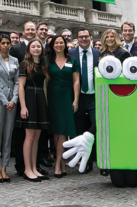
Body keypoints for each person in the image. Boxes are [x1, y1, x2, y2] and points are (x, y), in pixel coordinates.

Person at [46, 34, 79, 177]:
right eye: (56, 43)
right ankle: (62, 162)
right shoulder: (47, 61)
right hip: (53, 96)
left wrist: (76, 99)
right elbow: (45, 82)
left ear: (65, 44)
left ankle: (58, 163)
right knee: (56, 131)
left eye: (61, 42)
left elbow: (76, 81)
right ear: (52, 45)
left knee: (63, 130)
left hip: (66, 95)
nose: (59, 45)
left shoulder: (72, 60)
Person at [17, 39, 49, 182]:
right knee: (29, 136)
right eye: (33, 46)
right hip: (29, 98)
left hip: (40, 98)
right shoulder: (24, 64)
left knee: (36, 136)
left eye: (38, 47)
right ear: (29, 49)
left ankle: (34, 167)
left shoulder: (42, 64)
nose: (36, 49)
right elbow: (20, 86)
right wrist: (23, 106)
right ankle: (27, 169)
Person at [68, 29, 100, 173]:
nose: (83, 39)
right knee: (79, 128)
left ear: (91, 38)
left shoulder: (98, 54)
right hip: (78, 97)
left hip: (94, 96)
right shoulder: (70, 54)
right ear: (77, 39)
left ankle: (97, 157)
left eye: (86, 36)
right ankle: (83, 161)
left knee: (97, 126)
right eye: (80, 37)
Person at [0, 35, 19, 182]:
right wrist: (4, 100)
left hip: (12, 101)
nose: (6, 45)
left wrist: (13, 99)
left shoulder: (15, 60)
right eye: (3, 43)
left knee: (8, 134)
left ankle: (4, 167)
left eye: (8, 43)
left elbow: (17, 82)